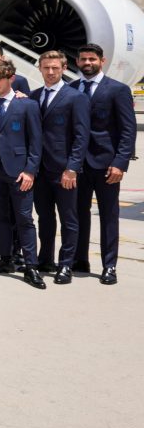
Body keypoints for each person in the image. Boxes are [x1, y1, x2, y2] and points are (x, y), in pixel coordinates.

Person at [0, 59, 44, 288]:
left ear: (11, 79)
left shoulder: (28, 105)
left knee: (24, 218)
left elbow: (36, 142)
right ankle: (5, 259)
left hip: (19, 172)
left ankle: (31, 266)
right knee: (0, 217)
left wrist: (30, 171)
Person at [71, 43, 135, 285]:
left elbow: (128, 130)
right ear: (77, 62)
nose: (87, 63)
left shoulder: (117, 90)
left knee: (108, 216)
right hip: (79, 166)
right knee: (78, 214)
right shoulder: (72, 88)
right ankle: (80, 259)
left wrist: (120, 163)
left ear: (102, 60)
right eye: (83, 59)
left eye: (92, 59)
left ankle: (110, 265)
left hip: (108, 165)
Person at [30, 51, 89, 284]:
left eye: (55, 67)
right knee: (44, 217)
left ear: (64, 68)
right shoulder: (34, 97)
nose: (51, 72)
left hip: (64, 170)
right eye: (46, 68)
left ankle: (66, 264)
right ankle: (45, 258)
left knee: (69, 218)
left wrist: (73, 167)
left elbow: (81, 136)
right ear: (40, 69)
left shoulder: (76, 97)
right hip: (39, 170)